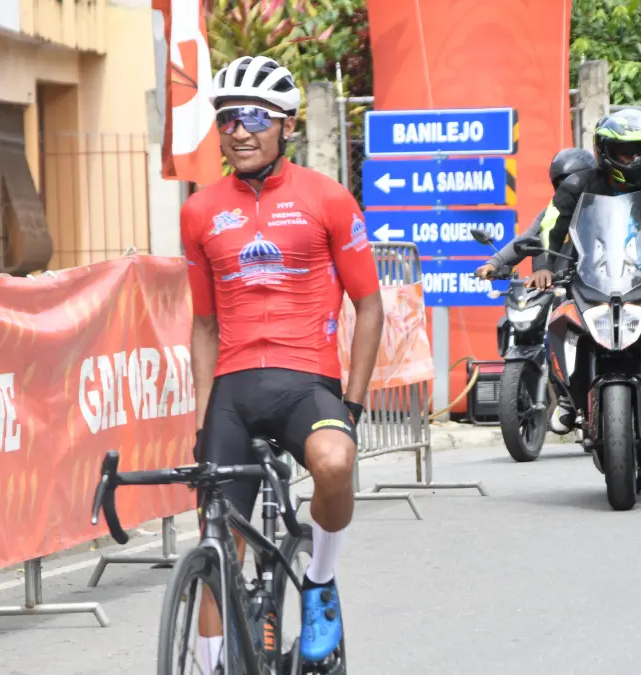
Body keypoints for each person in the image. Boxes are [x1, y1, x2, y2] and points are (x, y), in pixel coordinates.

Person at [180, 55, 384, 672]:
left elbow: (369, 305)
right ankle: (214, 663)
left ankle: (319, 581)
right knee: (218, 542)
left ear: (286, 126)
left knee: (334, 461)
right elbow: (205, 324)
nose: (236, 131)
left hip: (307, 382)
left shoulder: (327, 198)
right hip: (234, 391)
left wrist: (349, 404)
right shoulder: (198, 211)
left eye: (251, 118)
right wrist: (200, 418)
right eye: (225, 120)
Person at [531, 108, 641, 436]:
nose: (632, 159)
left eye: (639, 152)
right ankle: (570, 400)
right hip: (590, 281)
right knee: (557, 327)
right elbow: (551, 224)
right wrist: (542, 265)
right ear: (603, 150)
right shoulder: (576, 186)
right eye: (623, 152)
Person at [474, 148, 596, 281]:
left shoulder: (607, 211)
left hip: (604, 285)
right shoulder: (553, 212)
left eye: (576, 184)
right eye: (564, 186)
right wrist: (495, 262)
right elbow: (529, 237)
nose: (571, 190)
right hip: (563, 284)